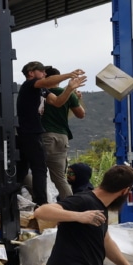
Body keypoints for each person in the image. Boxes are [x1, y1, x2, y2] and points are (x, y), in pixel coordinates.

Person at [16, 61, 85, 205]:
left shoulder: (43, 90)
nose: (44, 73)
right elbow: (46, 81)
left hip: (35, 132)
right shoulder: (29, 85)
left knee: (23, 170)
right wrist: (68, 75)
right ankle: (42, 203)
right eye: (41, 71)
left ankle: (13, 197)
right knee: (39, 168)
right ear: (31, 73)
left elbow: (58, 102)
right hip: (29, 131)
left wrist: (69, 88)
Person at [41, 66, 86, 200]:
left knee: (38, 173)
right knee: (60, 177)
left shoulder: (40, 92)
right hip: (62, 137)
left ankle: (42, 204)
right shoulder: (68, 94)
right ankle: (70, 206)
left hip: (45, 136)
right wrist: (75, 99)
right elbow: (81, 114)